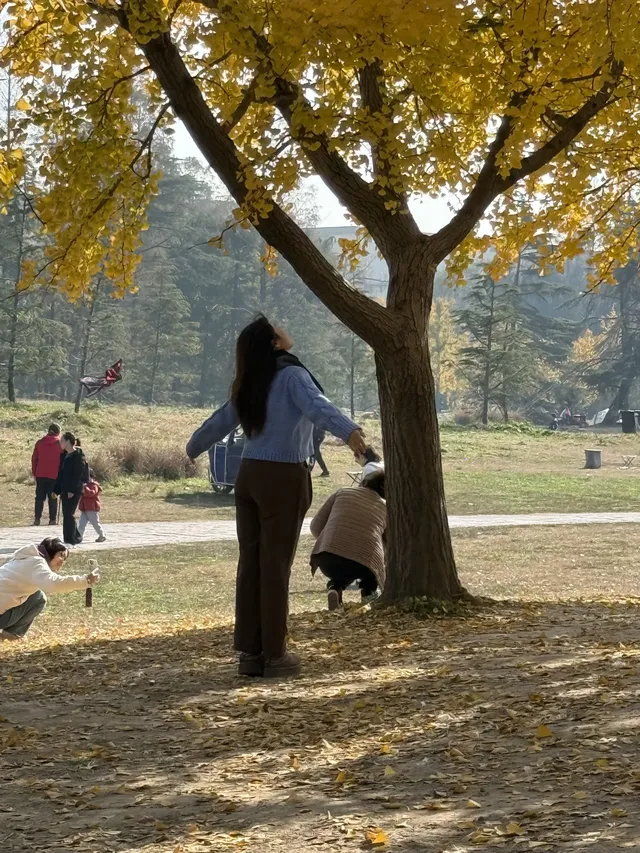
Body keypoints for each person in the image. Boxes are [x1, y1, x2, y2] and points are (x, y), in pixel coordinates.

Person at [187, 315, 366, 679]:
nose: (287, 328)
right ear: (274, 343)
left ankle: (250, 654)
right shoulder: (291, 375)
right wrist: (351, 432)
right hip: (283, 476)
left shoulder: (252, 378)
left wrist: (195, 445)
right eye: (279, 329)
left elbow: (222, 419)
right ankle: (276, 654)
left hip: (248, 475)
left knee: (250, 563)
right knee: (275, 566)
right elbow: (318, 407)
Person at [310, 470, 386, 611]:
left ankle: (335, 589)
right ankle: (368, 597)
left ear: (364, 482)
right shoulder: (384, 506)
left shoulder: (342, 492)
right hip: (363, 563)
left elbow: (315, 526)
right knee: (370, 571)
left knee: (340, 572)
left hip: (327, 559)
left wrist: (330, 543)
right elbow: (388, 545)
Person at [0, 537, 100, 641]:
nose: (62, 561)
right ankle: (11, 635)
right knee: (39, 598)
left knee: (36, 594)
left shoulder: (24, 559)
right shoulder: (37, 563)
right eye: (61, 555)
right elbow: (54, 584)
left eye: (65, 559)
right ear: (51, 551)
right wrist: (85, 580)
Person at [54, 432, 89, 546]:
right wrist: (56, 489)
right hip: (65, 487)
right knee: (67, 513)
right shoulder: (63, 455)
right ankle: (74, 537)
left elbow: (78, 475)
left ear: (68, 441)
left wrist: (72, 490)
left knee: (69, 513)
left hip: (74, 489)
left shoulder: (78, 456)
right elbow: (61, 473)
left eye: (62, 441)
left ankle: (70, 539)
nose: (60, 443)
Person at [31, 422, 64, 527]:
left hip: (40, 473)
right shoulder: (60, 444)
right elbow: (63, 461)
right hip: (55, 475)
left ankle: (37, 519)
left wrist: (35, 473)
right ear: (58, 432)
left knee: (39, 498)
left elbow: (34, 459)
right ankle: (52, 520)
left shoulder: (39, 442)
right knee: (53, 497)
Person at [78, 470, 106, 543]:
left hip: (91, 508)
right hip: (84, 508)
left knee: (95, 523)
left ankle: (102, 535)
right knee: (81, 524)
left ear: (92, 477)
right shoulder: (84, 485)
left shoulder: (94, 485)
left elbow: (91, 493)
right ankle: (78, 537)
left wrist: (85, 487)